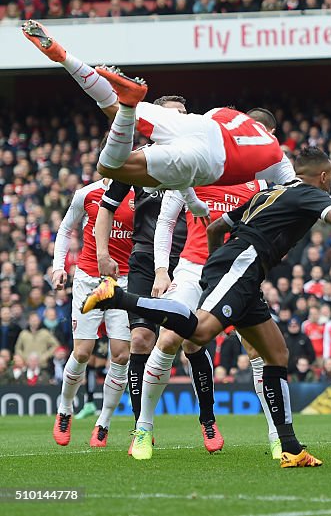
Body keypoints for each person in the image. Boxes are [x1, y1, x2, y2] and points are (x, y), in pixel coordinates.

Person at [83, 146, 331, 468]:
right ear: (324, 176)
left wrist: (217, 262)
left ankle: (290, 448)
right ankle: (119, 298)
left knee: (276, 353)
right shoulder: (310, 194)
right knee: (200, 333)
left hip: (239, 269)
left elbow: (218, 226)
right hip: (241, 267)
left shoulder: (268, 192)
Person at [21, 20, 295, 191]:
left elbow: (206, 125)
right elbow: (297, 190)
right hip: (210, 161)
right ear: (269, 129)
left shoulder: (228, 114)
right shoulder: (274, 152)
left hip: (201, 125)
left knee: (111, 105)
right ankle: (130, 105)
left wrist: (196, 204)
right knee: (108, 167)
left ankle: (65, 58)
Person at [120, 179, 272, 461]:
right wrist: (163, 270)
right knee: (168, 339)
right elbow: (165, 221)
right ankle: (143, 428)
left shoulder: (257, 182)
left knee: (257, 349)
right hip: (191, 270)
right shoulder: (195, 173)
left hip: (235, 273)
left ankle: (278, 437)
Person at [93, 95, 188, 446]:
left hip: (189, 260)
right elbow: (107, 207)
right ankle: (140, 429)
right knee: (139, 339)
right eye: (173, 114)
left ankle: (208, 422)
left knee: (193, 342)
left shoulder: (198, 159)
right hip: (146, 259)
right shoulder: (136, 160)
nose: (180, 120)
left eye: (184, 114)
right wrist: (103, 252)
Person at [50, 178, 135, 448]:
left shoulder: (140, 194)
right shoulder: (86, 194)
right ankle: (65, 409)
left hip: (124, 280)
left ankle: (104, 422)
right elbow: (65, 229)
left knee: (121, 354)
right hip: (88, 278)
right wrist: (57, 266)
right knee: (83, 351)